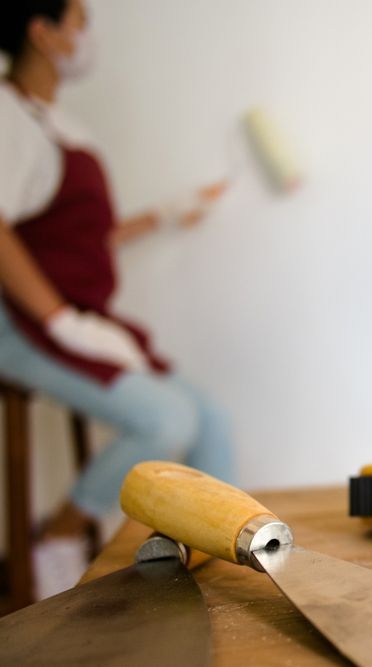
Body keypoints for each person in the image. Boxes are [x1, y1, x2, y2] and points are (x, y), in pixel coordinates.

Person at [0, 0, 234, 596]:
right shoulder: (5, 118)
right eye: (80, 22)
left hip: (73, 316)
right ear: (42, 32)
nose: (88, 35)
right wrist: (58, 322)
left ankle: (208, 567)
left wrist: (164, 216)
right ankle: (54, 535)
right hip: (22, 323)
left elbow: (78, 240)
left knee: (211, 422)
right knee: (166, 419)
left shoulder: (58, 125)